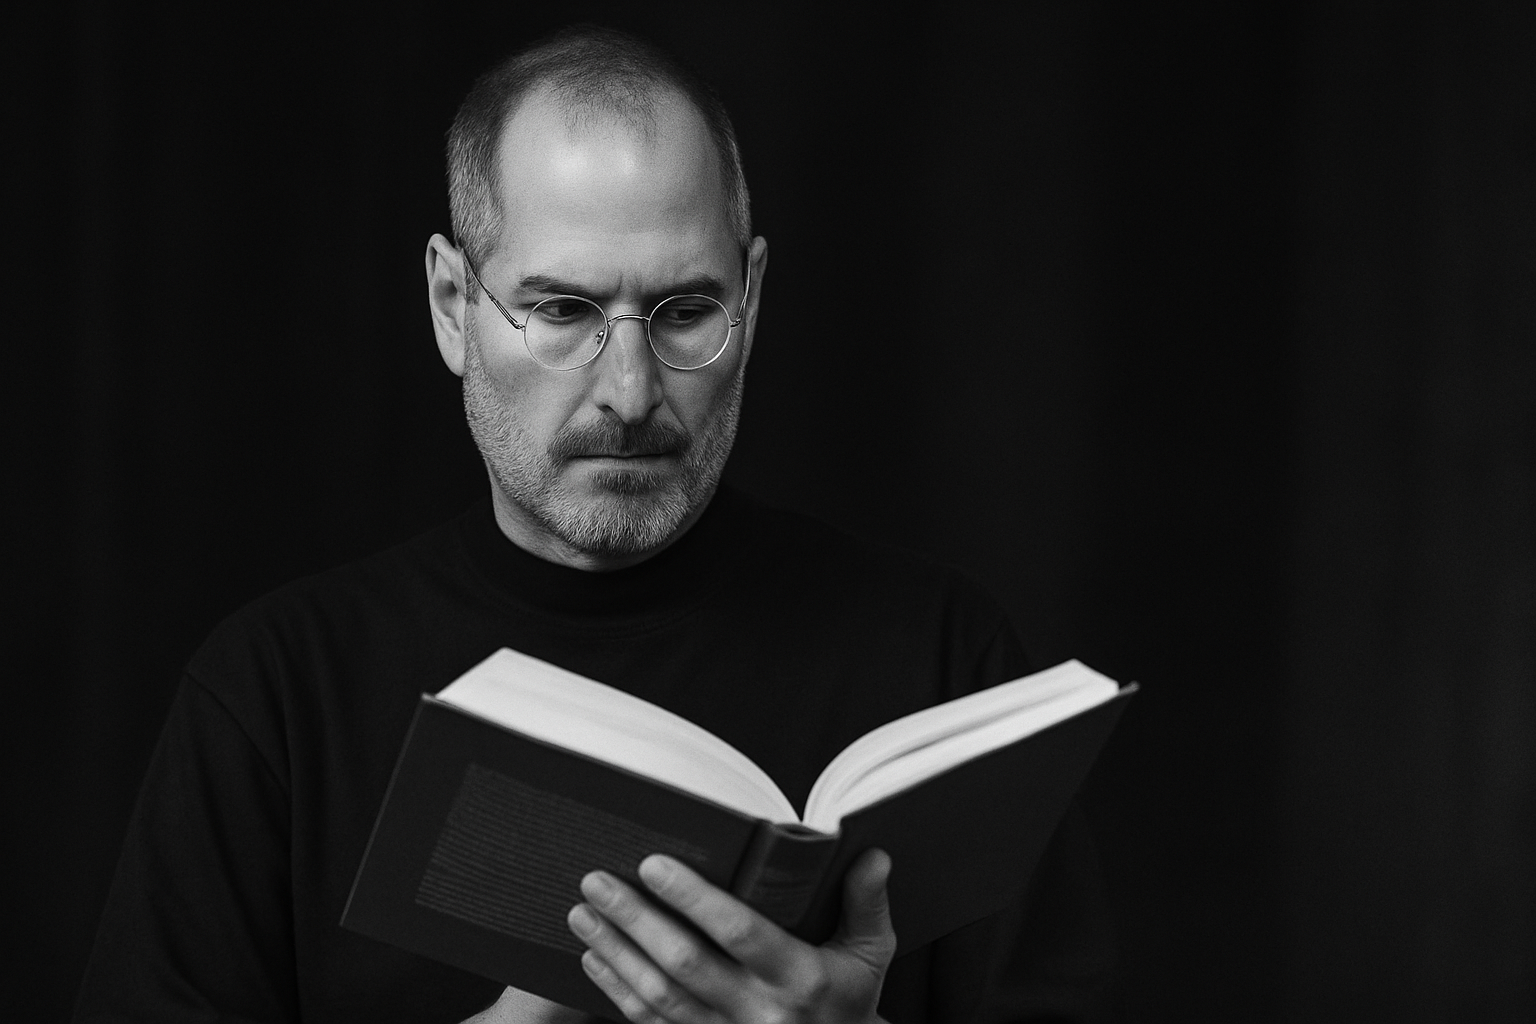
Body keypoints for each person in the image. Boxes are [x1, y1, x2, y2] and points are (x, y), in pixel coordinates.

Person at [74, 24, 1118, 1024]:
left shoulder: (942, 662)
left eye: (687, 313)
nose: (629, 391)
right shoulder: (276, 695)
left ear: (751, 300)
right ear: (451, 305)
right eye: (564, 311)